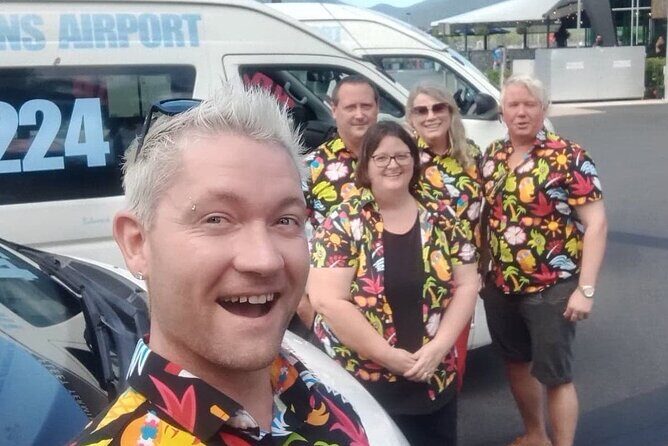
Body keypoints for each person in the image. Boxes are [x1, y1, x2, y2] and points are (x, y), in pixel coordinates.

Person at [71, 85, 371, 445]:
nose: (264, 259)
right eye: (216, 219)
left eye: (285, 220)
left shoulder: (314, 394)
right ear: (137, 243)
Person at [308, 121, 479, 445]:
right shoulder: (343, 221)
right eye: (382, 157)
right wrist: (387, 355)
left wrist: (439, 348)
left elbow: (468, 284)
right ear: (366, 165)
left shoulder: (441, 216)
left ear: (414, 161)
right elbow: (327, 300)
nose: (393, 164)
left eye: (401, 156)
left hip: (432, 375)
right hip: (362, 382)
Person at [479, 74, 607, 446]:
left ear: (544, 109)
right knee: (516, 363)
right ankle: (536, 434)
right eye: (513, 105)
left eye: (530, 104)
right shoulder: (493, 155)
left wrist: (586, 289)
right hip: (501, 284)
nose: (521, 112)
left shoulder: (569, 155)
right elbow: (485, 215)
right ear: (502, 112)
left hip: (552, 286)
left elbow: (597, 224)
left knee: (556, 376)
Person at [407, 83, 482, 389]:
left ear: (451, 112)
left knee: (454, 361)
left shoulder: (471, 155)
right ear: (411, 118)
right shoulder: (404, 157)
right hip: (419, 276)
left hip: (462, 277)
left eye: (438, 108)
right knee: (416, 361)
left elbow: (483, 216)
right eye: (421, 110)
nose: (430, 116)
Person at [297, 75, 379, 329]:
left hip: (393, 307)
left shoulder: (398, 161)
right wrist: (303, 305)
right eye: (350, 107)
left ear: (377, 109)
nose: (359, 114)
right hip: (331, 310)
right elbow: (288, 234)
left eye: (366, 106)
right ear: (334, 109)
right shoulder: (312, 167)